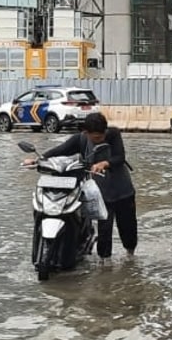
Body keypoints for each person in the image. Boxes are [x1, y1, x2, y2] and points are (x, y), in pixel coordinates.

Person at [25, 111, 137, 262]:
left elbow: (119, 157)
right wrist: (38, 159)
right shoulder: (81, 140)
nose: (100, 139)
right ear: (86, 132)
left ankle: (130, 257)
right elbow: (60, 150)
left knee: (128, 228)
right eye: (96, 137)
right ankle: (105, 264)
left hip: (124, 191)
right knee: (104, 230)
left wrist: (104, 163)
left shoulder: (113, 134)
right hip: (102, 194)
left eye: (102, 135)